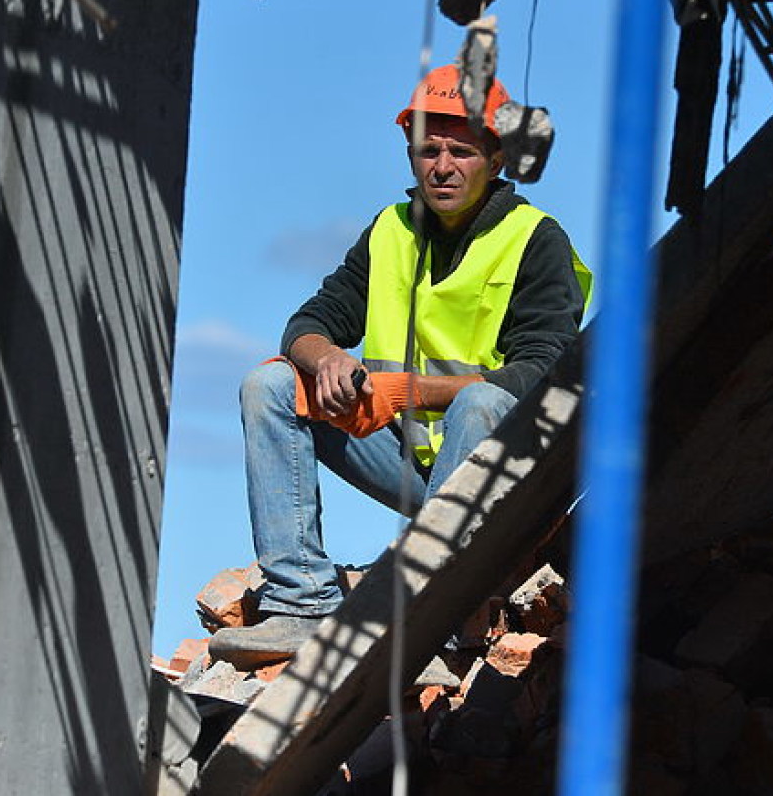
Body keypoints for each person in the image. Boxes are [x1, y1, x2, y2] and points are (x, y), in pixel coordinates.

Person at [210, 64, 591, 666]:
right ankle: (300, 605)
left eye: (460, 151)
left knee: (483, 401)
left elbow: (540, 375)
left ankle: (426, 621)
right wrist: (330, 359)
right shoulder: (390, 230)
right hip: (414, 464)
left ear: (495, 159)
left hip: (506, 477)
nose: (442, 166)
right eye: (428, 149)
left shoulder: (535, 238)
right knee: (273, 383)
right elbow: (306, 325)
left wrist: (405, 391)